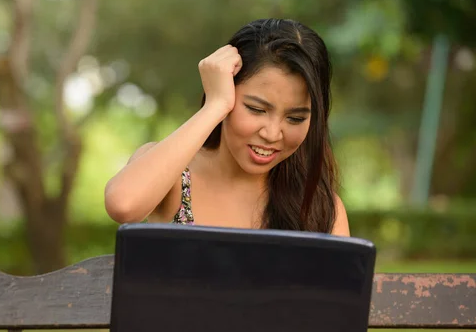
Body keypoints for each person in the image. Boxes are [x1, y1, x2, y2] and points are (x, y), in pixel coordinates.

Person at [105, 18, 349, 236]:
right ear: (228, 90)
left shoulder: (320, 208)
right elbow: (123, 205)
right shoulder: (176, 177)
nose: (272, 134)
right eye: (256, 109)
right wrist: (215, 105)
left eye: (295, 118)